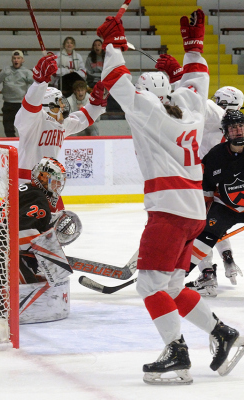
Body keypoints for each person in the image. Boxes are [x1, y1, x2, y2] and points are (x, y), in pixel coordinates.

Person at [97, 10, 244, 385]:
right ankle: (223, 334)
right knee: (174, 286)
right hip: (194, 208)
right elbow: (197, 81)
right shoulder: (193, 108)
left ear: (150, 93)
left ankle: (177, 354)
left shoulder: (146, 110)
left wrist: (113, 46)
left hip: (168, 210)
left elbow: (117, 83)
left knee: (149, 285)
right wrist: (193, 46)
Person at [156, 56, 243, 293]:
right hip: (223, 187)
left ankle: (207, 273)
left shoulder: (217, 116)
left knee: (200, 228)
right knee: (213, 225)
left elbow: (195, 102)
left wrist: (176, 75)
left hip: (200, 181)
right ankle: (227, 258)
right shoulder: (232, 125)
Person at [0, 157, 77, 314]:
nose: (58, 185)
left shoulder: (23, 189)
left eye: (60, 181)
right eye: (55, 180)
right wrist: (51, 253)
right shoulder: (39, 199)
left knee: (5, 290)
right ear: (42, 178)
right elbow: (25, 231)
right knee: (22, 294)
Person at [14, 53, 108, 195]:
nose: (64, 107)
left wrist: (96, 103)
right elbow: (29, 108)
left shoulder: (62, 124)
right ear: (47, 106)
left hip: (49, 183)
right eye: (59, 103)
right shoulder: (34, 120)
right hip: (25, 183)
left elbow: (82, 119)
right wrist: (40, 83)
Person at [184, 110, 244, 297]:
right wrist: (202, 214)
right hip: (227, 208)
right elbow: (207, 188)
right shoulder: (215, 155)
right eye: (233, 128)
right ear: (225, 132)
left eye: (241, 126)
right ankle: (177, 276)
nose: (238, 131)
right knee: (204, 236)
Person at [0, 50, 33, 137]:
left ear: (22, 60)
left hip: (21, 104)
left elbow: (35, 81)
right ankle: (12, 144)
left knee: (23, 128)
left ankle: (23, 145)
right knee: (8, 128)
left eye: (18, 58)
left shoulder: (26, 72)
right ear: (12, 60)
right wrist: (4, 74)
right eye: (14, 58)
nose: (16, 60)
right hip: (8, 103)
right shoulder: (6, 70)